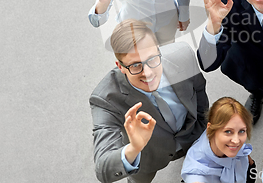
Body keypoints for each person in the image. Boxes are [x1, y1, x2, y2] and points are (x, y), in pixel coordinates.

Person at [89, 19, 209, 183]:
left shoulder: (183, 54)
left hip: (192, 136)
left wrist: (203, 124)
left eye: (152, 59)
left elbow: (199, 89)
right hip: (147, 158)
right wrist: (134, 148)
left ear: (159, 50)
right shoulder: (105, 99)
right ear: (120, 66)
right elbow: (103, 169)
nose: (148, 73)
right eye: (136, 65)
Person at [181, 97, 256, 183]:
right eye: (228, 131)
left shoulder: (226, 144)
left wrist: (251, 165)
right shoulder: (197, 175)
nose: (237, 141)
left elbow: (245, 155)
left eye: (241, 131)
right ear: (210, 129)